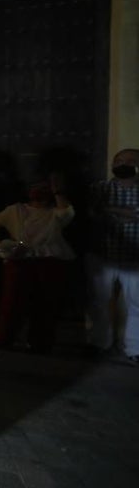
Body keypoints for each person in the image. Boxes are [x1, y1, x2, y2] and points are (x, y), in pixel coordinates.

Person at [0, 179, 76, 353]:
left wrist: (58, 192)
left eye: (43, 188)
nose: (39, 192)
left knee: (46, 302)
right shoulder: (16, 210)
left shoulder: (55, 213)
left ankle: (40, 341)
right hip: (20, 258)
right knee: (12, 301)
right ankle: (3, 337)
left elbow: (66, 213)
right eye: (35, 187)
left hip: (49, 259)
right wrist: (0, 244)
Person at [85, 148, 139, 362]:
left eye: (130, 160)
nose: (122, 164)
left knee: (137, 304)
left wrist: (109, 210)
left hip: (135, 257)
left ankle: (135, 349)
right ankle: (99, 343)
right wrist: (127, 213)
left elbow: (101, 212)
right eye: (118, 160)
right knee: (99, 302)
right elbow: (90, 213)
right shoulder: (100, 188)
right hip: (102, 255)